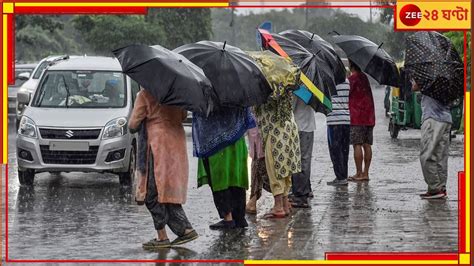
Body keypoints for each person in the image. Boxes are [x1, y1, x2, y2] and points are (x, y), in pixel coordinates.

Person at [129, 88, 198, 249]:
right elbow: (182, 116)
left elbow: (133, 125)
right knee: (168, 191)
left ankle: (164, 236)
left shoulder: (145, 95)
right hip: (175, 144)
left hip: (156, 145)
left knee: (151, 193)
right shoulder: (178, 94)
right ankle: (184, 229)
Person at [194, 107, 255, 229]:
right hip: (237, 141)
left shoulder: (209, 91)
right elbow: (247, 116)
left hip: (216, 143)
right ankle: (239, 217)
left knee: (220, 180)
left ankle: (228, 218)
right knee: (235, 177)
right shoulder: (239, 91)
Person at [254, 87, 302, 216]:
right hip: (289, 127)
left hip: (275, 130)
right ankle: (285, 204)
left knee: (275, 168)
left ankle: (279, 206)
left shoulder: (268, 85)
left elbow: (259, 105)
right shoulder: (286, 79)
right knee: (285, 169)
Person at [412, 81, 451, 199]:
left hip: (432, 119)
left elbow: (415, 87)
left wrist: (415, 80)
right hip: (446, 118)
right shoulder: (446, 77)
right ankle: (441, 187)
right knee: (440, 156)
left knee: (426, 155)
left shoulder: (427, 75)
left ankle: (435, 188)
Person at [348, 60, 375, 182]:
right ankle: (366, 173)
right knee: (367, 144)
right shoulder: (365, 78)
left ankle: (359, 173)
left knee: (357, 144)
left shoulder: (352, 79)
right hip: (369, 116)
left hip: (357, 116)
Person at [245, 112, 271, 215]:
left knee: (259, 165)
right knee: (258, 163)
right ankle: (253, 199)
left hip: (261, 128)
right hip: (258, 128)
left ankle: (281, 199)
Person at [291, 97, 315, 207]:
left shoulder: (299, 90)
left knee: (299, 161)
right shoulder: (312, 88)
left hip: (299, 126)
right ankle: (306, 189)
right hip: (308, 126)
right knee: (305, 160)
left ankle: (300, 194)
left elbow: (290, 108)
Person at [326, 78, 351, 186]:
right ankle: (343, 175)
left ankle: (340, 177)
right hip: (346, 120)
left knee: (335, 151)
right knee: (344, 150)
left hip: (333, 120)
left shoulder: (328, 82)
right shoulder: (347, 82)